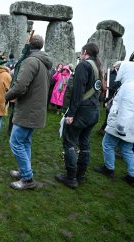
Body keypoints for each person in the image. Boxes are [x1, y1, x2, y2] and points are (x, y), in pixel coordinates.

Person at [4, 34, 53, 190]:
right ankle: (25, 171)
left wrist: (5, 96)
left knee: (16, 142)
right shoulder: (44, 63)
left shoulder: (31, 61)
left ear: (29, 45)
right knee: (25, 142)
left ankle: (27, 179)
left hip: (28, 110)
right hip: (36, 109)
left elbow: (20, 87)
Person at [55, 43, 102, 189]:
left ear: (85, 52)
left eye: (81, 52)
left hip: (82, 110)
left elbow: (78, 92)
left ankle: (71, 178)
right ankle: (80, 175)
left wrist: (71, 113)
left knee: (69, 142)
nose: (80, 54)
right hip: (94, 110)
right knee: (84, 142)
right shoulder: (98, 67)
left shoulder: (83, 66)